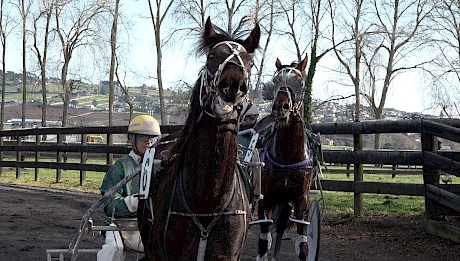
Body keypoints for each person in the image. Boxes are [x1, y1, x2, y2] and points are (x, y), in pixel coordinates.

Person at [97, 115, 161, 261]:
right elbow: (108, 204)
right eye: (143, 138)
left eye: (152, 138)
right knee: (114, 249)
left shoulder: (160, 167)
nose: (149, 142)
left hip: (151, 227)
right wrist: (134, 202)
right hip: (120, 226)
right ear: (132, 138)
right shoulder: (120, 167)